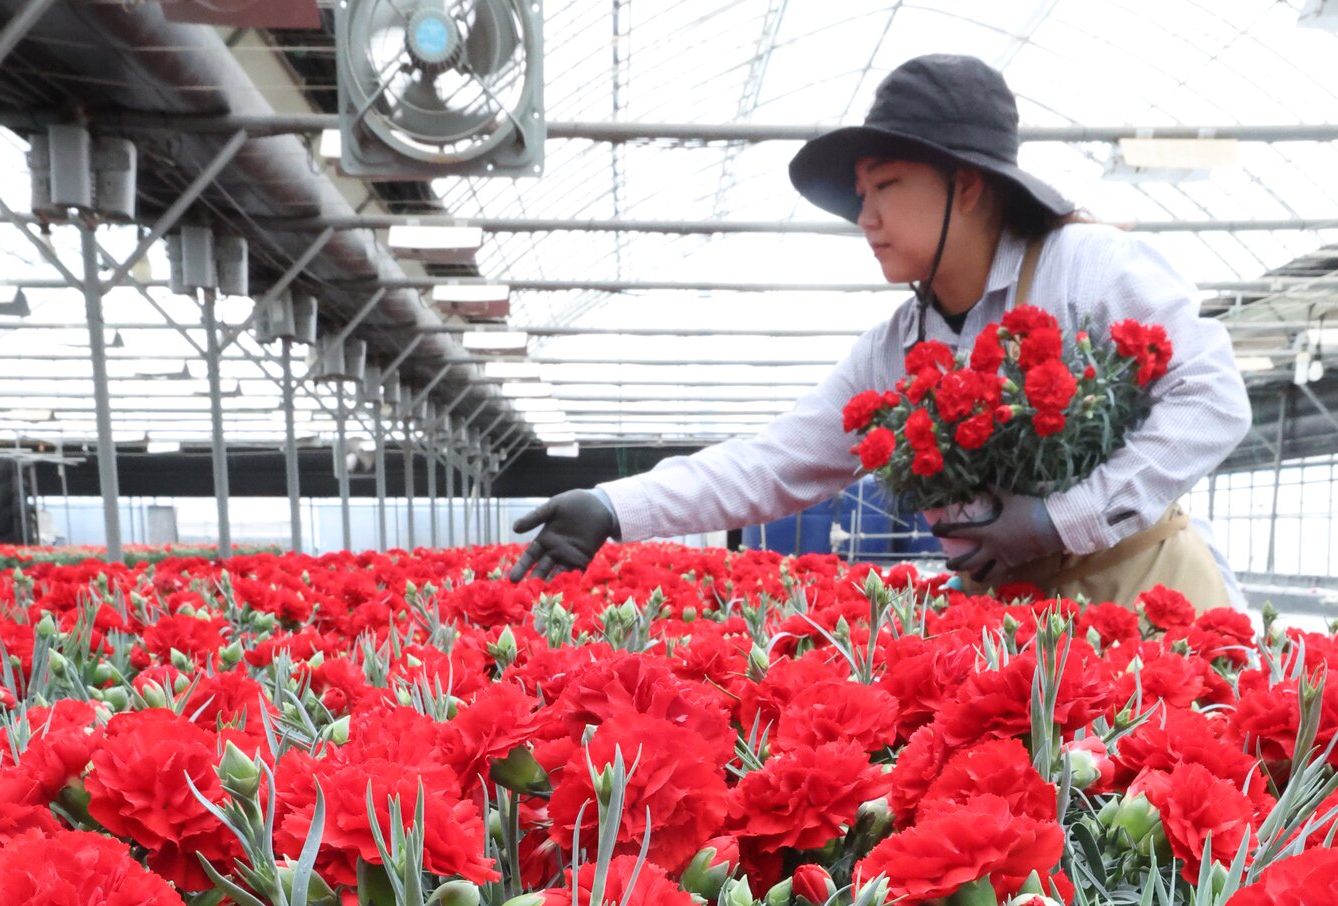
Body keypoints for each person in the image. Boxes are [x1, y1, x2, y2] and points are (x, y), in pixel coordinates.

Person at [509, 54, 1250, 611]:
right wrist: (612, 505)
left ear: (967, 185)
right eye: (861, 194)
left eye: (886, 186)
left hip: (1155, 598)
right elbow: (775, 461)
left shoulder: (1086, 266)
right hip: (1022, 621)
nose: (865, 217)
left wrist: (1061, 520)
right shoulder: (896, 347)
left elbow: (1213, 400)